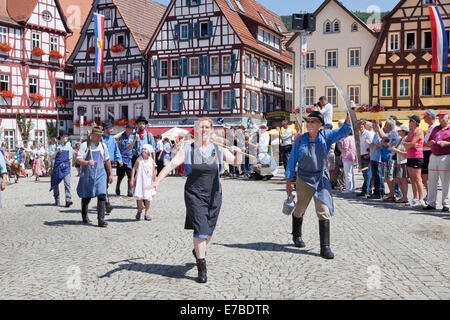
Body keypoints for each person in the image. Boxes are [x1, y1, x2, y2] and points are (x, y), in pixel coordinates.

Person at [148, 117, 240, 283]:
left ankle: (198, 250)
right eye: (200, 127)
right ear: (196, 130)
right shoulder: (188, 149)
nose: (203, 130)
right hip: (194, 195)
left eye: (206, 127)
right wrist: (157, 181)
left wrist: (238, 151)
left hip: (214, 195)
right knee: (200, 229)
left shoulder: (218, 148)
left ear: (210, 130)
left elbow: (236, 163)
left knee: (208, 233)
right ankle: (201, 267)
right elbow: (170, 165)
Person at [285, 109, 353, 259]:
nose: (309, 124)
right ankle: (297, 235)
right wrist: (289, 182)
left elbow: (345, 130)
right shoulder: (300, 139)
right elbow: (292, 160)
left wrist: (350, 111)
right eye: (308, 121)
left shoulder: (326, 136)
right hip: (303, 178)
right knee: (299, 209)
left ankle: (325, 247)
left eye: (313, 122)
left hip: (321, 179)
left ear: (320, 124)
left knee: (323, 210)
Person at [76, 126, 114, 227]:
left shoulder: (103, 146)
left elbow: (107, 160)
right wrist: (88, 162)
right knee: (86, 196)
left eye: (99, 135)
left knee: (102, 195)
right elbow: (78, 159)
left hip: (101, 174)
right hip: (88, 174)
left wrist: (110, 174)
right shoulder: (85, 145)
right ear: (92, 135)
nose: (98, 137)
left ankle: (101, 220)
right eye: (96, 135)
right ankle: (84, 215)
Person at [424, 110, 450, 212]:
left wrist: (447, 143)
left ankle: (446, 203)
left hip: (446, 156)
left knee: (445, 181)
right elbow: (429, 140)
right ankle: (431, 203)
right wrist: (430, 142)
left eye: (443, 116)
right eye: (439, 116)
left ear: (448, 117)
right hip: (433, 155)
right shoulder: (435, 128)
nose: (440, 118)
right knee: (432, 181)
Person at [130, 144, 157, 221]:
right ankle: (139, 211)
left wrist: (155, 182)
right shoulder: (139, 160)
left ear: (149, 151)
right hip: (140, 181)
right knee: (140, 198)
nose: (143, 150)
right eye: (142, 149)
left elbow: (154, 172)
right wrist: (132, 179)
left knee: (148, 198)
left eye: (145, 149)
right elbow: (134, 169)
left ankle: (146, 213)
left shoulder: (151, 161)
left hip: (148, 182)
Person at [404, 115, 425, 208]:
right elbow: (407, 145)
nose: (409, 123)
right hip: (410, 156)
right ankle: (415, 198)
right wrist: (409, 144)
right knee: (412, 179)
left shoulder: (419, 131)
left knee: (417, 178)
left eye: (410, 121)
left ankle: (421, 199)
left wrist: (409, 144)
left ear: (415, 122)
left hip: (417, 156)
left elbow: (411, 143)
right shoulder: (410, 132)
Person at [102, 121, 123, 213]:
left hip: (109, 164)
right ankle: (107, 204)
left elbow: (116, 150)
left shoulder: (112, 139)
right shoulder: (100, 139)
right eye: (110, 128)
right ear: (105, 129)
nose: (112, 129)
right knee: (103, 185)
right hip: (100, 164)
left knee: (105, 185)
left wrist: (119, 159)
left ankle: (103, 203)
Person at [49, 130, 74, 207]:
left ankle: (68, 200)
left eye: (67, 136)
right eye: (65, 136)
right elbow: (51, 156)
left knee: (67, 184)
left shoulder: (69, 146)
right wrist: (56, 151)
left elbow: (70, 158)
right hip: (57, 167)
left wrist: (70, 168)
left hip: (66, 167)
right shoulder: (54, 146)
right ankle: (57, 198)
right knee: (55, 183)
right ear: (60, 137)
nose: (66, 137)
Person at [376, 120, 399, 202]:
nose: (385, 126)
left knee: (389, 177)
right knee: (387, 176)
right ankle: (391, 193)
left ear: (390, 125)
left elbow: (383, 137)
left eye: (386, 124)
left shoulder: (393, 132)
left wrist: (378, 127)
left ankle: (393, 194)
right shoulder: (389, 133)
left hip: (389, 157)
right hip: (384, 157)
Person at [421, 110, 439, 199]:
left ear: (430, 117)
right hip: (425, 152)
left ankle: (431, 196)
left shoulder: (435, 127)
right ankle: (429, 195)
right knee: (424, 176)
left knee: (428, 177)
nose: (423, 118)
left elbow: (431, 143)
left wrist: (420, 143)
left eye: (425, 116)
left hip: (429, 152)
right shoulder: (430, 127)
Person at [391, 124, 410, 203]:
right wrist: (391, 138)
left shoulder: (406, 139)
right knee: (397, 179)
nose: (398, 132)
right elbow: (391, 146)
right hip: (398, 161)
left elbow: (407, 153)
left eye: (399, 130)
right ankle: (403, 196)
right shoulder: (399, 139)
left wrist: (397, 151)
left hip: (403, 161)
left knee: (403, 180)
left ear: (404, 131)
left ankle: (405, 197)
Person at [116, 123, 134, 197]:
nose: (129, 130)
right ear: (126, 129)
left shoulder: (133, 137)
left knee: (130, 175)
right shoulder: (120, 137)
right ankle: (118, 186)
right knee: (120, 175)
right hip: (122, 158)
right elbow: (117, 147)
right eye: (128, 129)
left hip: (130, 158)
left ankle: (129, 190)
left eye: (131, 129)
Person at [358, 121, 375, 197]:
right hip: (361, 155)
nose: (360, 128)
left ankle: (366, 190)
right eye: (359, 127)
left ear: (364, 127)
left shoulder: (367, 133)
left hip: (366, 155)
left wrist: (369, 154)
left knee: (367, 173)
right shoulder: (359, 135)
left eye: (361, 127)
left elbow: (371, 144)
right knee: (364, 174)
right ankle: (365, 189)